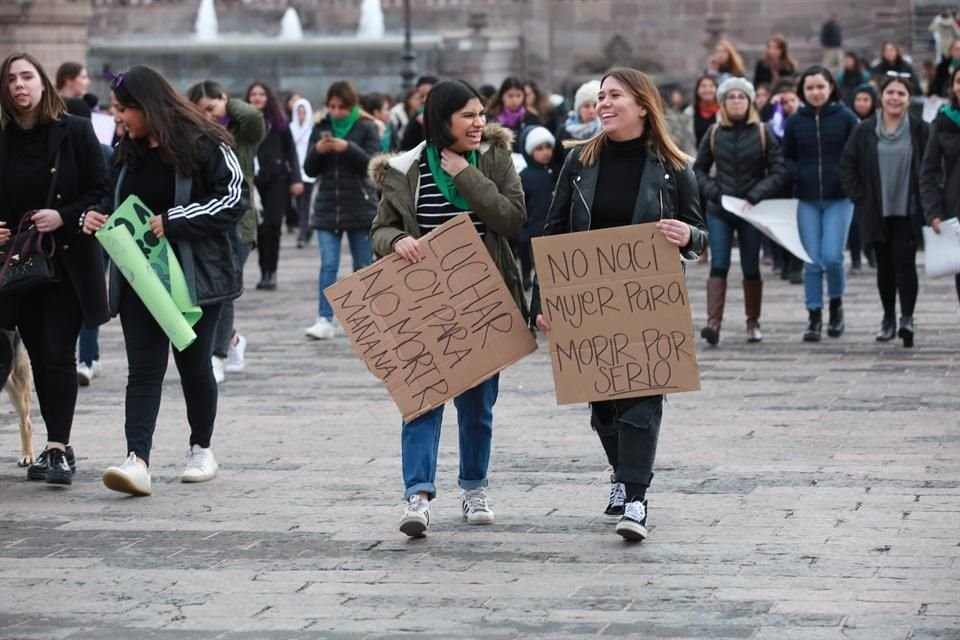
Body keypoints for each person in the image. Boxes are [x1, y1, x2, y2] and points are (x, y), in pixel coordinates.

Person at [531, 68, 707, 542]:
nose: (603, 104)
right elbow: (553, 232)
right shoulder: (578, 162)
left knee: (642, 400)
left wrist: (687, 235)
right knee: (604, 405)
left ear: (643, 105)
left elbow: (699, 234)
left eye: (614, 96)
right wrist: (540, 300)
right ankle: (619, 473)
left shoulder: (675, 166)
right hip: (588, 301)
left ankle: (636, 498)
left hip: (648, 304)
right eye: (601, 97)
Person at [368, 79, 527, 538]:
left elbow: (510, 219)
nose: (479, 123)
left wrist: (464, 174)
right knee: (421, 401)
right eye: (468, 116)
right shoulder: (405, 169)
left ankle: (474, 487)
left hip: (484, 301)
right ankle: (417, 494)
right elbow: (380, 230)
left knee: (477, 406)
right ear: (442, 121)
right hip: (425, 306)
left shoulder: (495, 158)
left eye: (481, 114)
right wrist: (396, 240)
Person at [83, 65, 247, 496]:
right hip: (140, 277)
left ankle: (201, 448)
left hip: (195, 277)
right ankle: (137, 459)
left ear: (147, 107)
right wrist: (94, 214)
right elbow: (109, 194)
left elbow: (234, 198)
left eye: (123, 110)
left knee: (193, 366)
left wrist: (175, 220)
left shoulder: (205, 142)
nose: (117, 118)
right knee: (143, 370)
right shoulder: (127, 147)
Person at [0, 52, 109, 485]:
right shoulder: (4, 139)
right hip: (20, 266)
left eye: (27, 77)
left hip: (67, 261)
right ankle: (53, 443)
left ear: (43, 83)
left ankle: (57, 449)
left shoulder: (75, 132)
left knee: (57, 349)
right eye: (11, 79)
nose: (19, 85)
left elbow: (102, 191)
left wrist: (63, 216)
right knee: (40, 358)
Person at [694, 78, 786, 345]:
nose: (736, 101)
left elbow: (778, 171)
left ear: (749, 102)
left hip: (751, 209)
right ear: (723, 103)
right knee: (719, 264)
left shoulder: (762, 131)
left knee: (750, 266)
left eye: (741, 97)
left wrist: (755, 195)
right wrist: (715, 193)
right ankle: (713, 324)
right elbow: (698, 169)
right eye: (731, 97)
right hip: (720, 209)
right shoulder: (713, 132)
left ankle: (752, 321)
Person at [187, 80, 267, 382]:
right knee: (209, 292)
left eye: (211, 108)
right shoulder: (195, 137)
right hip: (206, 223)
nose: (206, 115)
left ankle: (217, 355)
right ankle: (232, 339)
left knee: (224, 293)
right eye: (200, 111)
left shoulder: (240, 133)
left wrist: (226, 103)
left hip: (241, 223)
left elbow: (255, 118)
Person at [841, 75, 929, 347]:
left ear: (908, 99)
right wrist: (861, 198)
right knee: (885, 267)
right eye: (890, 93)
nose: (895, 98)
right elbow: (848, 166)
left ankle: (907, 318)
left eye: (901, 94)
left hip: (908, 209)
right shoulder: (865, 129)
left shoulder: (920, 129)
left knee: (905, 263)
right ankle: (888, 318)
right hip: (876, 209)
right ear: (881, 97)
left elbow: (930, 167)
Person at [782, 66, 859, 341]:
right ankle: (814, 315)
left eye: (820, 87)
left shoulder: (846, 118)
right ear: (802, 91)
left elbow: (858, 153)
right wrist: (796, 173)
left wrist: (850, 180)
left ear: (830, 88)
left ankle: (836, 305)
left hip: (840, 197)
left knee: (832, 257)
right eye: (810, 88)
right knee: (812, 260)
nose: (815, 92)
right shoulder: (795, 121)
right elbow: (786, 156)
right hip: (807, 198)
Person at [302, 80, 379, 341]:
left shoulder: (367, 126)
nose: (335, 112)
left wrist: (348, 148)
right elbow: (310, 170)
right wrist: (317, 150)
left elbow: (373, 165)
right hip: (327, 209)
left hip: (359, 205)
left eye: (340, 107)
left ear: (351, 105)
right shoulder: (320, 127)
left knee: (363, 266)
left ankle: (371, 318)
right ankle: (324, 319)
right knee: (329, 265)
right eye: (331, 107)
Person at [246, 81, 303, 291]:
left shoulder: (279, 122)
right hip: (253, 180)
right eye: (253, 94)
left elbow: (291, 153)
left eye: (262, 94)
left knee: (273, 225)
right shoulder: (242, 123)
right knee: (259, 228)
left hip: (277, 179)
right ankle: (263, 271)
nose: (257, 98)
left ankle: (272, 271)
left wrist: (296, 179)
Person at [919, 65, 960, 307]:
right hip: (956, 207)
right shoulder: (944, 122)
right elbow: (929, 171)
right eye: (958, 81)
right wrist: (933, 212)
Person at [765, 81, 804, 284]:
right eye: (784, 101)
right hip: (776, 178)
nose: (788, 105)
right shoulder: (773, 121)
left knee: (797, 224)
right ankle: (782, 262)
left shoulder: (802, 120)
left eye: (792, 100)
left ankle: (796, 265)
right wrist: (770, 107)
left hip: (798, 178)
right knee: (780, 223)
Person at [517, 124, 556, 289]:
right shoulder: (524, 176)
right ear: (530, 151)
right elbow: (521, 204)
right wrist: (522, 230)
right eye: (539, 148)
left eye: (548, 147)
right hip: (531, 229)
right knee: (529, 260)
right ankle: (526, 276)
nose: (546, 152)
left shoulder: (555, 172)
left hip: (551, 228)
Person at [847, 84, 879, 272]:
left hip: (873, 177)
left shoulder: (878, 121)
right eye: (858, 99)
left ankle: (871, 251)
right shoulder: (849, 120)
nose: (861, 103)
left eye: (865, 100)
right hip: (854, 178)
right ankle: (856, 256)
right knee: (854, 222)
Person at [288, 97, 317, 248]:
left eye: (303, 113)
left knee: (305, 204)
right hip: (294, 173)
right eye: (298, 112)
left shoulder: (312, 129)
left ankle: (302, 235)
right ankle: (308, 227)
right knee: (297, 205)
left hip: (308, 172)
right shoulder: (290, 129)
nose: (301, 116)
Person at [486, 76, 541, 152]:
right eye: (510, 96)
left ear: (523, 96)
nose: (514, 100)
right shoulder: (492, 118)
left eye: (518, 96)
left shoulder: (531, 117)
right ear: (502, 96)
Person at [555, 80, 601, 161]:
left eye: (595, 105)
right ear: (579, 109)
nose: (591, 111)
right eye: (586, 106)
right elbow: (556, 159)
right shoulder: (565, 130)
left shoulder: (605, 130)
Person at [399, 75, 438, 151]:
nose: (424, 100)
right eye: (421, 96)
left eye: (428, 94)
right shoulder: (417, 117)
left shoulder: (448, 115)